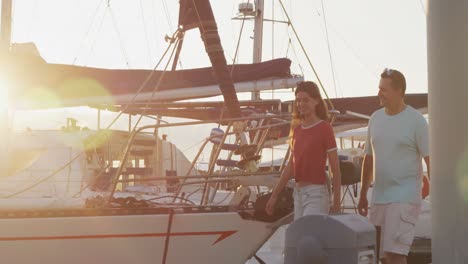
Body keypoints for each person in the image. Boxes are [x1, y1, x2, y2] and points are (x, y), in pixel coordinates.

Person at [358, 68, 430, 264]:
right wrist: (363, 194)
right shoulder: (375, 118)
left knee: (395, 255)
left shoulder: (416, 121)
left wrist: (434, 189)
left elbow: (430, 159)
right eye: (379, 88)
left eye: (384, 89)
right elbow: (368, 158)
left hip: (404, 196)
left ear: (399, 91)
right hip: (379, 197)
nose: (379, 93)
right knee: (381, 257)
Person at [266, 81, 341, 219]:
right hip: (298, 194)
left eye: (305, 100)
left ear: (316, 101)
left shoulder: (324, 128)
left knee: (308, 236)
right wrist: (274, 195)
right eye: (298, 100)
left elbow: (335, 169)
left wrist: (336, 203)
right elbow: (291, 166)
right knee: (301, 239)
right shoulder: (297, 130)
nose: (301, 104)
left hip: (316, 194)